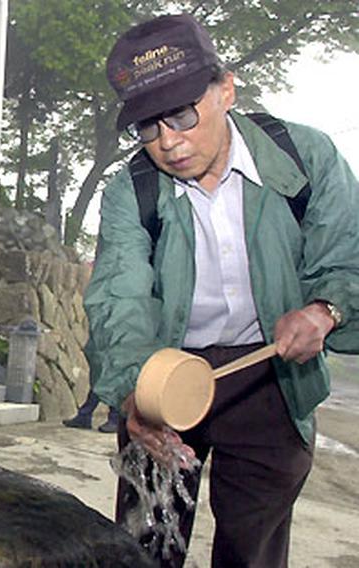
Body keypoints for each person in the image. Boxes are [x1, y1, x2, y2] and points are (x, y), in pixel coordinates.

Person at [84, 13, 359, 568]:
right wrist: (135, 394)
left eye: (182, 115)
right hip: (162, 371)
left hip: (270, 375)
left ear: (226, 89)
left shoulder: (307, 159)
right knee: (145, 544)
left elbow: (346, 258)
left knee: (251, 552)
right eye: (147, 126)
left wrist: (324, 310)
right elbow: (119, 297)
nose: (169, 142)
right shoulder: (129, 191)